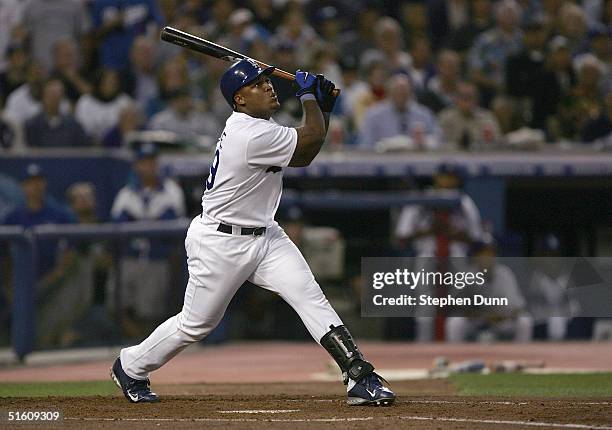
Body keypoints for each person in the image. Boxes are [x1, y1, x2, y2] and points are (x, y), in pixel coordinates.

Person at [110, 59, 396, 406]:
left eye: (266, 80)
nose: (269, 86)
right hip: (220, 242)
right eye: (258, 84)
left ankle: (359, 376)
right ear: (239, 100)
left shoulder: (261, 124)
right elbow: (307, 146)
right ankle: (131, 365)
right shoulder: (249, 134)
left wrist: (321, 107)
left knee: (310, 297)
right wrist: (310, 99)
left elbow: (308, 147)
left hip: (266, 236)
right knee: (195, 325)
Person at [109, 143, 186, 337]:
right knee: (116, 306)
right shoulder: (126, 193)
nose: (148, 166)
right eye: (144, 162)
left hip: (156, 260)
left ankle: (143, 351)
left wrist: (140, 224)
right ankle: (136, 346)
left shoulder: (171, 191)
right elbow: (117, 228)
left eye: (152, 162)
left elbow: (172, 229)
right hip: (129, 260)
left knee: (149, 314)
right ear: (137, 165)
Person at [358, 74, 441, 149]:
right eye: (397, 91)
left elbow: (437, 140)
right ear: (389, 92)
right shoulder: (373, 115)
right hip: (382, 162)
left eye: (404, 92)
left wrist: (425, 142)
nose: (400, 95)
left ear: (410, 93)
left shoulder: (424, 114)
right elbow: (366, 145)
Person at [438, 81, 500, 150]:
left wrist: (491, 140)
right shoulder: (445, 117)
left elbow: (498, 142)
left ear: (477, 99)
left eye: (469, 97)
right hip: (452, 157)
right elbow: (439, 143)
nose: (466, 101)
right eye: (463, 97)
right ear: (455, 99)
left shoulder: (487, 117)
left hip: (481, 157)